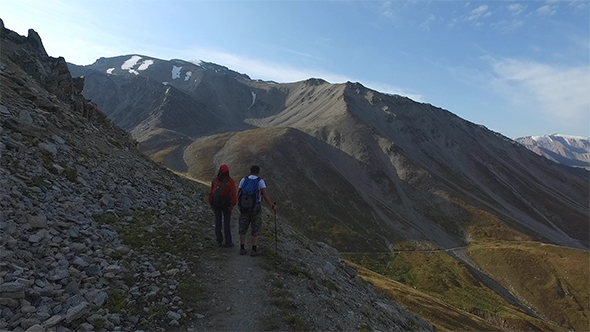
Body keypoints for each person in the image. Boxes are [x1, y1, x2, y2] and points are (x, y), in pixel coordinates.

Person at [238, 165, 277, 256]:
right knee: (255, 227)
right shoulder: (260, 181)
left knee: (243, 227)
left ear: (250, 171)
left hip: (244, 208)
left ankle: (242, 248)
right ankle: (254, 250)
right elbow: (265, 195)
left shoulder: (244, 180)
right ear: (258, 172)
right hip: (255, 208)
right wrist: (272, 206)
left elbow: (239, 192)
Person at [209, 164, 237, 247]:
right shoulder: (230, 181)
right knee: (226, 222)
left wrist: (211, 202)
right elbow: (232, 194)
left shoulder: (215, 181)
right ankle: (228, 242)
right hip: (226, 205)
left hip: (216, 204)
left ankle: (219, 240)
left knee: (218, 221)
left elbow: (211, 193)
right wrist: (233, 204)